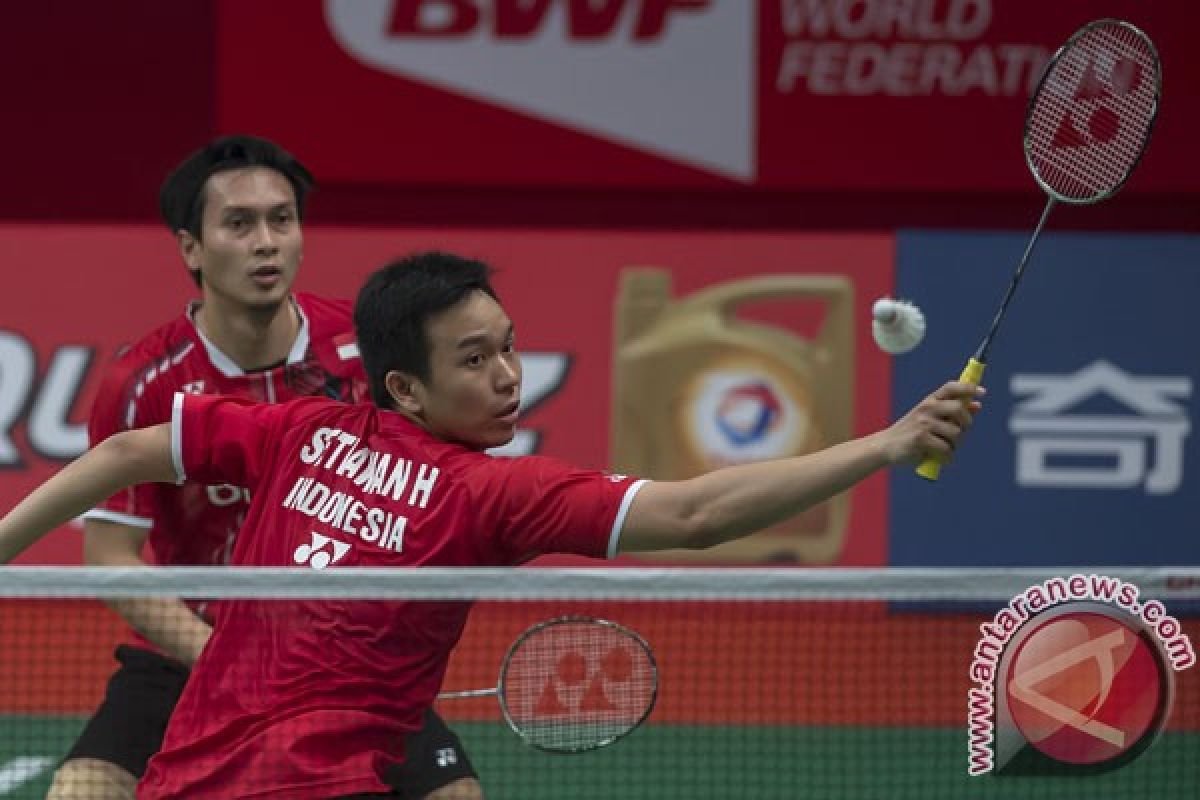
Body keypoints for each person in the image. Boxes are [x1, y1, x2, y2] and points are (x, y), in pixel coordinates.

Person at [0, 251, 983, 799]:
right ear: (404, 385)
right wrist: (886, 444)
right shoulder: (484, 491)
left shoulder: (301, 430)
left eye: (509, 348)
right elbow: (697, 513)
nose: (508, 375)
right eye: (475, 360)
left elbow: (131, 449)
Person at [45, 139, 480, 800]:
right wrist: (227, 659)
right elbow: (110, 554)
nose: (266, 241)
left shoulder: (364, 355)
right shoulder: (145, 382)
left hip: (342, 660)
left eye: (282, 219)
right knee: (81, 791)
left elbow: (426, 505)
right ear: (192, 248)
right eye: (240, 224)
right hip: (188, 655)